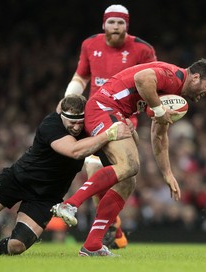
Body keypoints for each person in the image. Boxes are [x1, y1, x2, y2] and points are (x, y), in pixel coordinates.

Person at [0, 94, 133, 255]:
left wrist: (127, 133)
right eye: (71, 121)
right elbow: (75, 150)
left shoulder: (89, 131)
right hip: (18, 179)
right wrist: (109, 134)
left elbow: (115, 159)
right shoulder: (50, 124)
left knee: (17, 246)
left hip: (46, 197)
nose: (76, 126)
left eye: (81, 121)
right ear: (62, 115)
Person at [51, 59, 206, 256]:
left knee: (128, 182)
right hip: (104, 108)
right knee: (130, 164)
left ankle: (92, 244)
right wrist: (158, 110)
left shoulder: (172, 95)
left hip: (115, 114)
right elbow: (142, 79)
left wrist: (167, 173)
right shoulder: (173, 76)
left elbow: (159, 136)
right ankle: (70, 205)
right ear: (196, 77)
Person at [56, 4, 157, 249]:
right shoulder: (90, 44)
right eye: (111, 22)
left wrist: (156, 109)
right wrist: (68, 100)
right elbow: (81, 76)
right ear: (104, 24)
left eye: (120, 23)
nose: (116, 27)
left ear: (127, 25)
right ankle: (113, 228)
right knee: (94, 175)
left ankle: (108, 228)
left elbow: (154, 80)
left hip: (125, 121)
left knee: (125, 175)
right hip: (95, 117)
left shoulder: (143, 49)